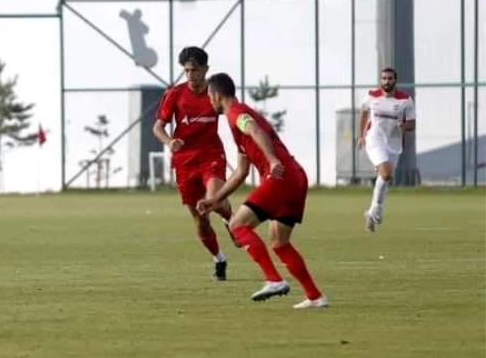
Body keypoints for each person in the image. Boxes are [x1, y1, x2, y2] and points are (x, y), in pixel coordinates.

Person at [197, 73, 328, 309]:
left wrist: (273, 160)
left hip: (280, 176)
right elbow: (241, 172)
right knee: (279, 242)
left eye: (209, 97)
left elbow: (255, 130)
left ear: (216, 95)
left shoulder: (236, 112)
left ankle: (273, 280)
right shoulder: (236, 121)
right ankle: (315, 296)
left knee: (237, 226)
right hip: (296, 177)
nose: (209, 101)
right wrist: (214, 200)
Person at [152, 46, 234, 280]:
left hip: (211, 155)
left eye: (194, 70)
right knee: (200, 220)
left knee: (215, 198)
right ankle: (219, 258)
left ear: (205, 69)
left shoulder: (215, 93)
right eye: (186, 71)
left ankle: (231, 220)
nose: (190, 75)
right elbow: (158, 127)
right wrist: (169, 142)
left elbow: (234, 114)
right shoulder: (175, 94)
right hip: (185, 162)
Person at [356, 67, 415, 232]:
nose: (386, 81)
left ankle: (371, 212)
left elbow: (412, 124)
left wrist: (404, 125)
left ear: (395, 80)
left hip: (394, 143)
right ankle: (378, 209)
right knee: (386, 173)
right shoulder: (372, 96)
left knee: (386, 177)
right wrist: (361, 136)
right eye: (383, 78)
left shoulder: (405, 100)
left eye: (389, 78)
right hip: (374, 139)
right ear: (380, 80)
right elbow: (363, 114)